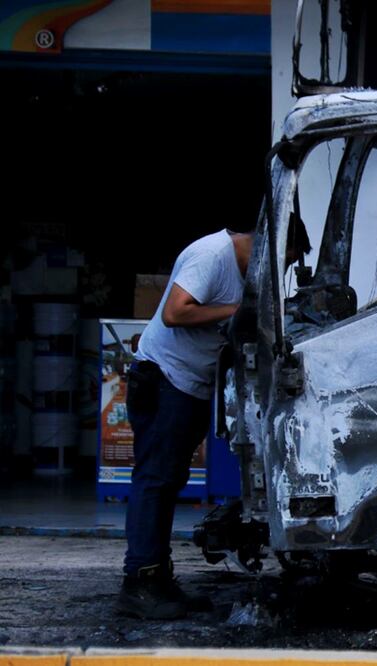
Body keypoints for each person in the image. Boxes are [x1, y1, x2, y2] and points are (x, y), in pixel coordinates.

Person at [117, 221, 310, 620]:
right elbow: (175, 312)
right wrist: (243, 311)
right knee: (154, 481)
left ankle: (157, 576)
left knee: (167, 482)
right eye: (282, 260)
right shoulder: (211, 256)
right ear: (265, 245)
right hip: (164, 378)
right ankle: (140, 583)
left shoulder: (245, 271)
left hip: (187, 385)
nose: (279, 271)